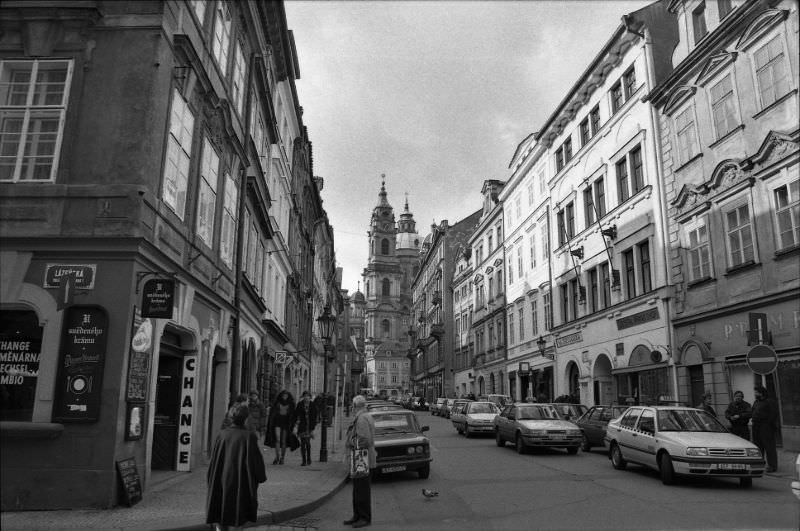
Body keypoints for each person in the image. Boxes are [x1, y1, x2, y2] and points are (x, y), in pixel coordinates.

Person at [206, 402, 266, 531]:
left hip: (220, 480)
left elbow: (214, 461)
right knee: (237, 518)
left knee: (220, 515)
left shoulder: (222, 434)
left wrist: (211, 479)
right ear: (245, 418)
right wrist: (260, 476)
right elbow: (256, 463)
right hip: (240, 483)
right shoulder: (248, 437)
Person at [343, 394, 375, 528]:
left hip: (361, 457)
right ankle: (357, 515)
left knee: (361, 489)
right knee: (357, 489)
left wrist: (350, 442)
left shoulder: (362, 419)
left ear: (356, 406)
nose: (351, 407)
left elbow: (364, 440)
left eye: (352, 405)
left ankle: (364, 517)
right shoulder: (364, 416)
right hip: (361, 457)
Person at [752, 385, 778, 472]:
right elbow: (752, 412)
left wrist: (767, 424)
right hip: (756, 426)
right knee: (758, 447)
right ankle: (760, 464)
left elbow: (773, 414)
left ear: (761, 393)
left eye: (756, 392)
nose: (755, 394)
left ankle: (772, 466)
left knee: (769, 447)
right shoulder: (756, 402)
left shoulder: (769, 402)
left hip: (766, 427)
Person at [266, 389, 295, 465]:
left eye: (286, 395)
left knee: (283, 441)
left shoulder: (291, 404)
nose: (285, 396)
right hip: (277, 423)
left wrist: (293, 425)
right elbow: (272, 413)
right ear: (281, 396)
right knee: (277, 439)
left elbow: (293, 416)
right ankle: (277, 457)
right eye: (283, 395)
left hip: (286, 424)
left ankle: (282, 457)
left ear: (288, 396)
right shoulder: (277, 403)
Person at [293, 390, 317, 466]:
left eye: (308, 396)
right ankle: (304, 460)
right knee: (303, 443)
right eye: (305, 396)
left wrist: (312, 428)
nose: (306, 397)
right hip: (302, 426)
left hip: (309, 427)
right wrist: (295, 425)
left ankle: (309, 458)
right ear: (303, 397)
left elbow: (314, 417)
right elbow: (296, 415)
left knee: (308, 443)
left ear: (310, 397)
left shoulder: (313, 405)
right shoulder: (300, 404)